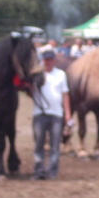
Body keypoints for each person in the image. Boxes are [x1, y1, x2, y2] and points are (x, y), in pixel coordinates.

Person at [31, 49, 71, 180]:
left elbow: (65, 95)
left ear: (54, 60)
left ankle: (53, 171)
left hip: (56, 114)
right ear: (43, 61)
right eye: (46, 60)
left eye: (51, 60)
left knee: (55, 145)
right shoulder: (37, 75)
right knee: (39, 144)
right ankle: (39, 171)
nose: (49, 62)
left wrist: (68, 114)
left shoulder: (61, 74)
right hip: (39, 113)